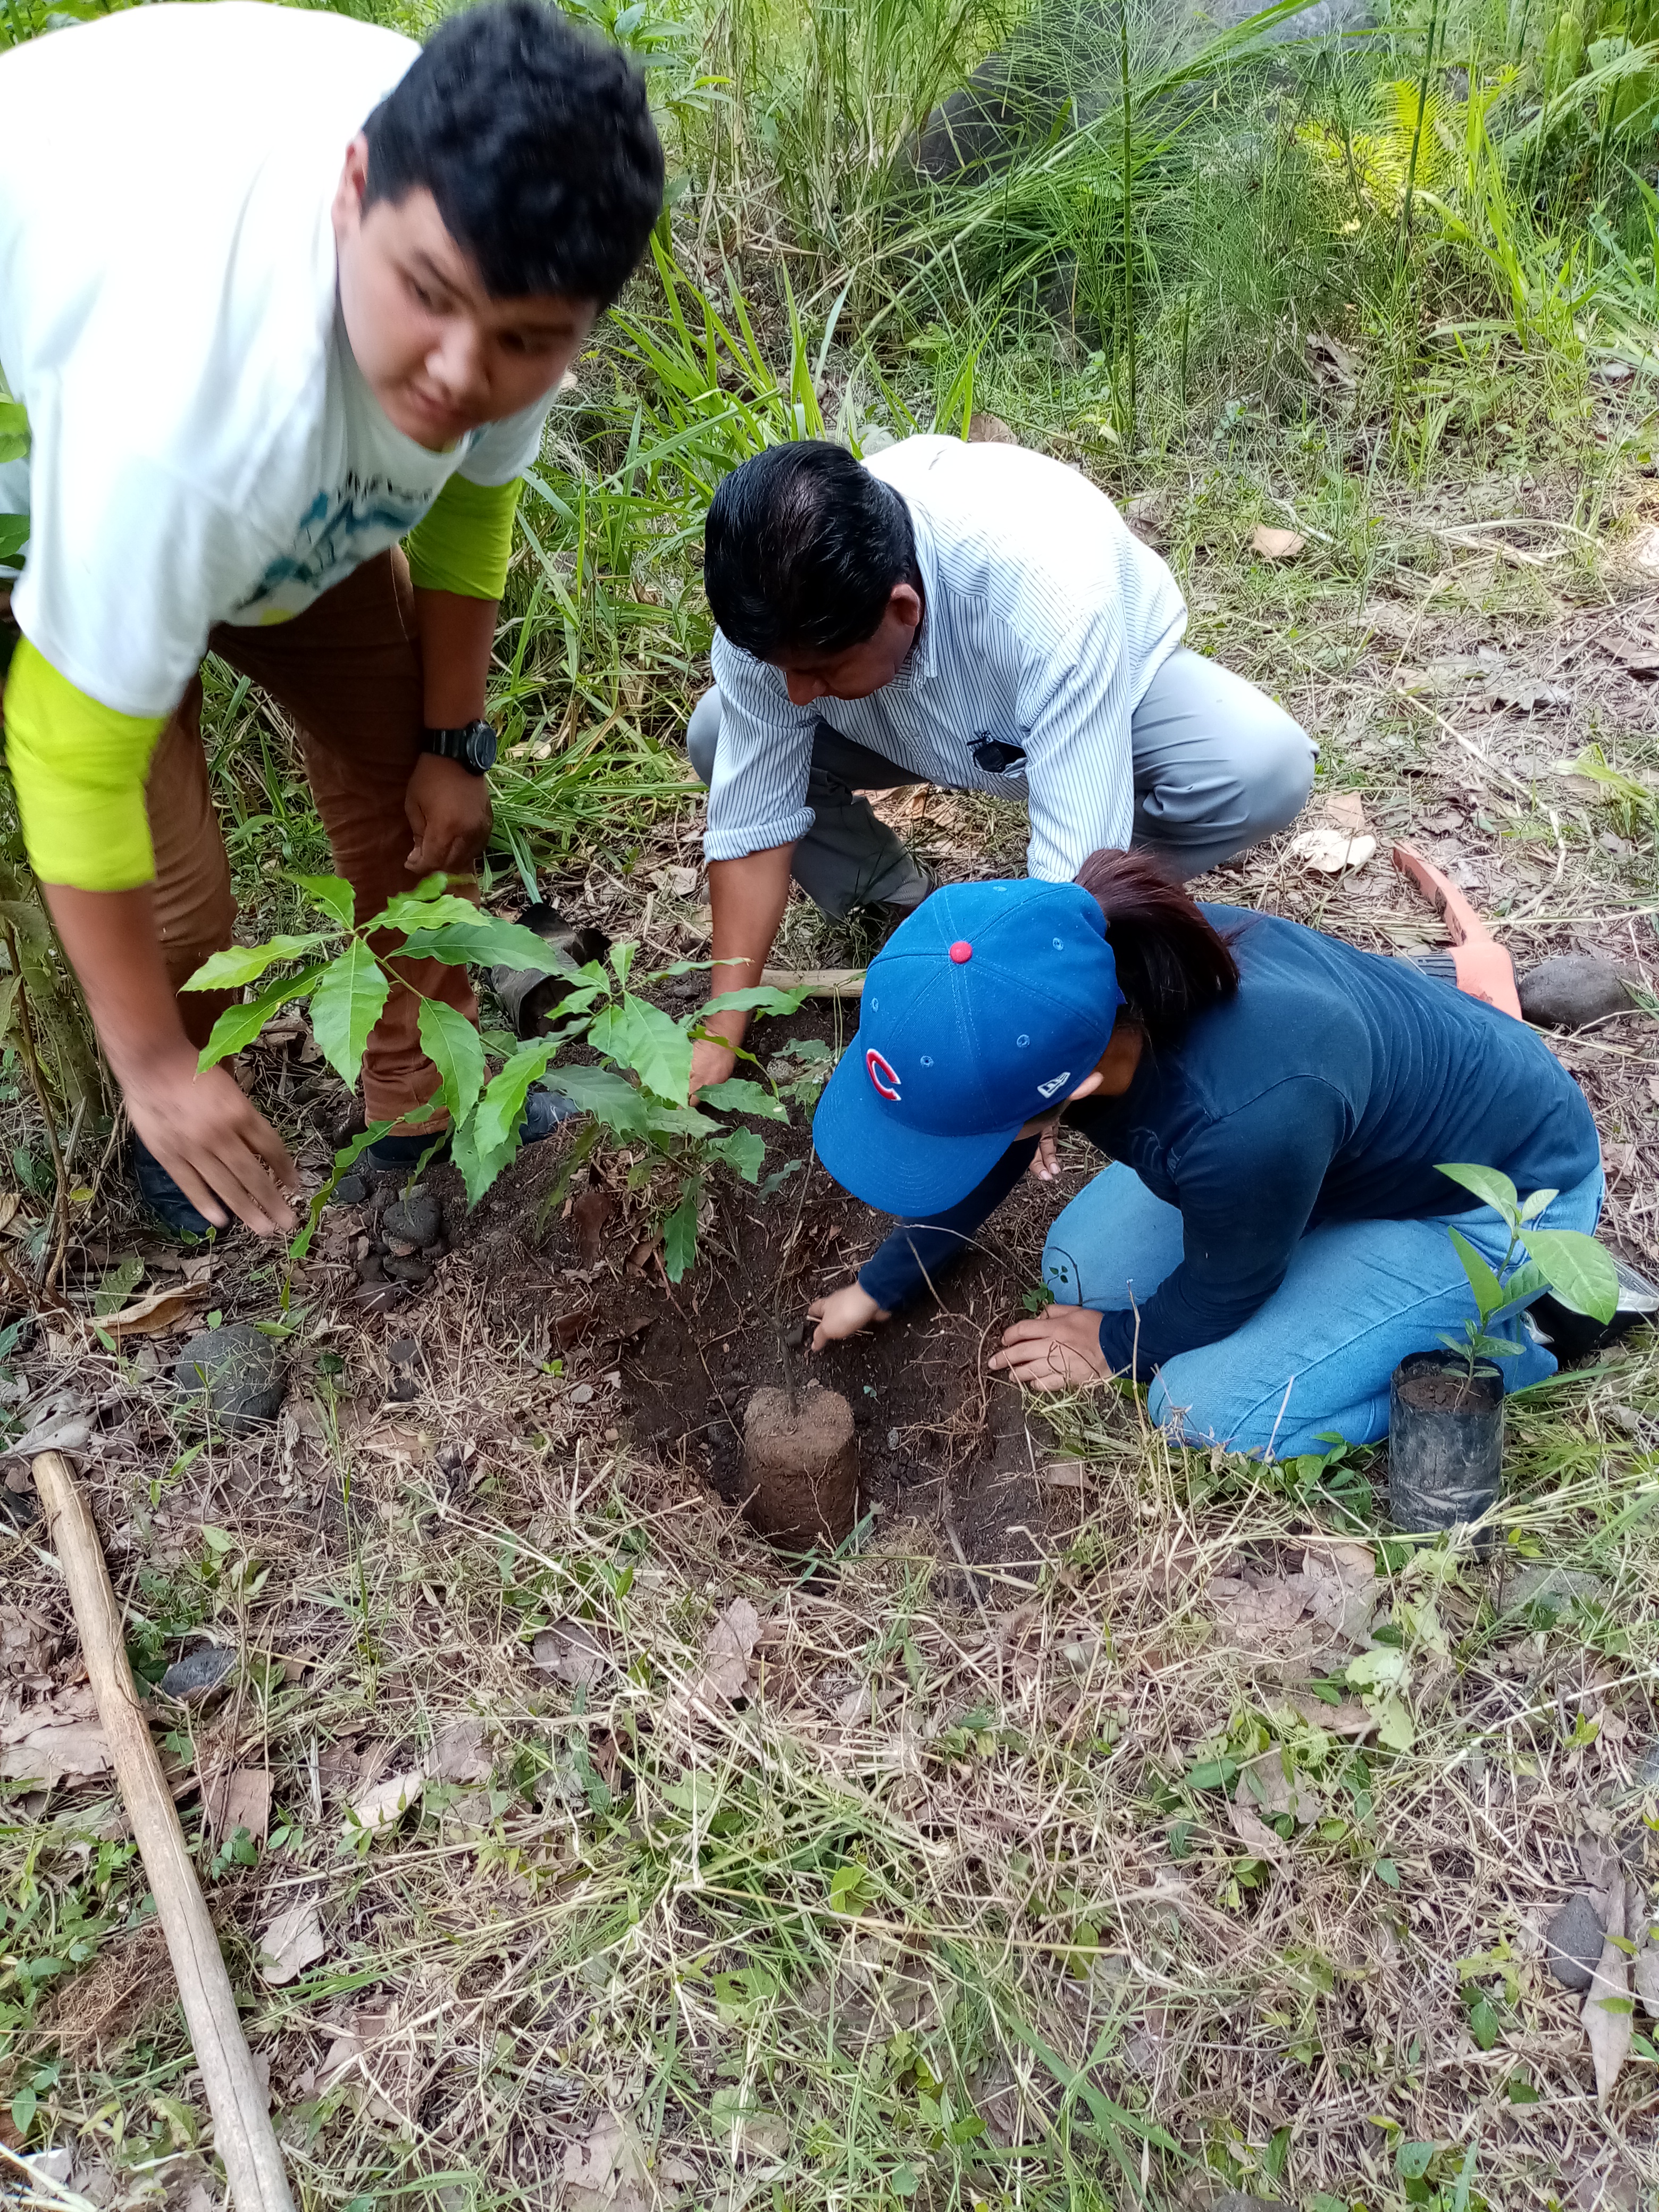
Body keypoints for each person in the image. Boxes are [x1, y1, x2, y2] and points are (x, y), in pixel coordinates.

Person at [0, 0, 663, 1236]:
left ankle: (420, 1109)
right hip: (51, 478)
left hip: (281, 478)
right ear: (351, 184)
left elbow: (472, 500)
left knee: (418, 802)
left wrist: (454, 740)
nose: (460, 374)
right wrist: (146, 1058)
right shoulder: (190, 418)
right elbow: (66, 746)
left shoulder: (503, 255)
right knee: (179, 907)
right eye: (431, 299)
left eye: (521, 342)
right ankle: (184, 1107)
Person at [804, 856, 1606, 1460]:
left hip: (1502, 1200)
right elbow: (989, 1141)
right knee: (1080, 1271)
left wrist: (1114, 1347)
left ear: (1076, 1084)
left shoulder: (1242, 1116)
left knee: (1206, 1408)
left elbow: (1225, 1289)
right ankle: (1324, 1256)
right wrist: (883, 1285)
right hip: (1333, 1151)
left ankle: (1531, 1336)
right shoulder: (1091, 961)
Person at [683, 435, 1316, 1096]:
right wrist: (721, 1029)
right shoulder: (777, 610)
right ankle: (904, 904)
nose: (796, 694)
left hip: (1099, 701)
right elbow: (752, 825)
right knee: (716, 734)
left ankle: (1133, 906)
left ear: (902, 608)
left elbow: (1074, 873)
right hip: (889, 723)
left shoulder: (1049, 587)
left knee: (1260, 766)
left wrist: (1030, 1033)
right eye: (782, 670)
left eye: (817, 670)